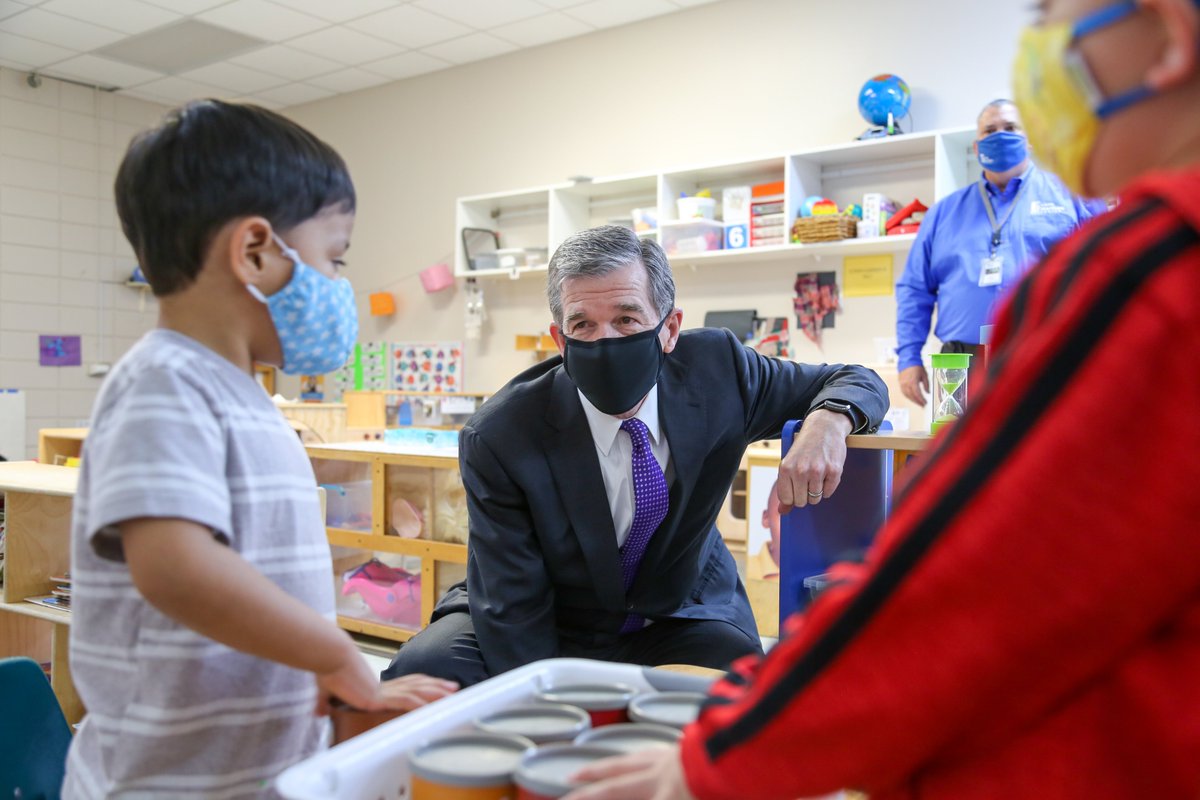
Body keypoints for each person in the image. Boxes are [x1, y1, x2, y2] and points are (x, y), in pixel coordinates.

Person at [565, 0, 1200, 797]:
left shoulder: (1143, 274)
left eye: (1051, 14)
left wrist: (713, 763)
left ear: (1170, 34)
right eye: (581, 324)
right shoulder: (963, 219)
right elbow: (916, 296)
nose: (1037, 45)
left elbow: (951, 591)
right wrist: (911, 357)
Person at [62, 100, 456, 799]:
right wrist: (336, 652)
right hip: (167, 785)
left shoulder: (247, 397)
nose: (339, 286)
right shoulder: (164, 381)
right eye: (334, 258)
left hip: (261, 774)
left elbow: (258, 596)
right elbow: (175, 569)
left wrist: (331, 698)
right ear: (254, 253)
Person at [382, 225, 889, 686]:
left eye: (627, 319)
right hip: (544, 610)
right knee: (426, 673)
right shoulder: (500, 435)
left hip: (679, 608)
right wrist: (546, 715)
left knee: (735, 693)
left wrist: (829, 420)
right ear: (559, 339)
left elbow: (855, 379)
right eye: (583, 326)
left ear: (669, 329)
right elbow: (514, 604)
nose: (606, 341)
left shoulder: (719, 371)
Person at [895, 98, 1104, 407]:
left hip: (1047, 351)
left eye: (1010, 127)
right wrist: (909, 358)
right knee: (959, 451)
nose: (1000, 135)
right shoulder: (943, 213)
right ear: (977, 147)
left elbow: (1107, 271)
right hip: (958, 362)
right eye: (989, 130)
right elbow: (914, 289)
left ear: (1029, 138)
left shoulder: (1073, 198)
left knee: (1040, 451)